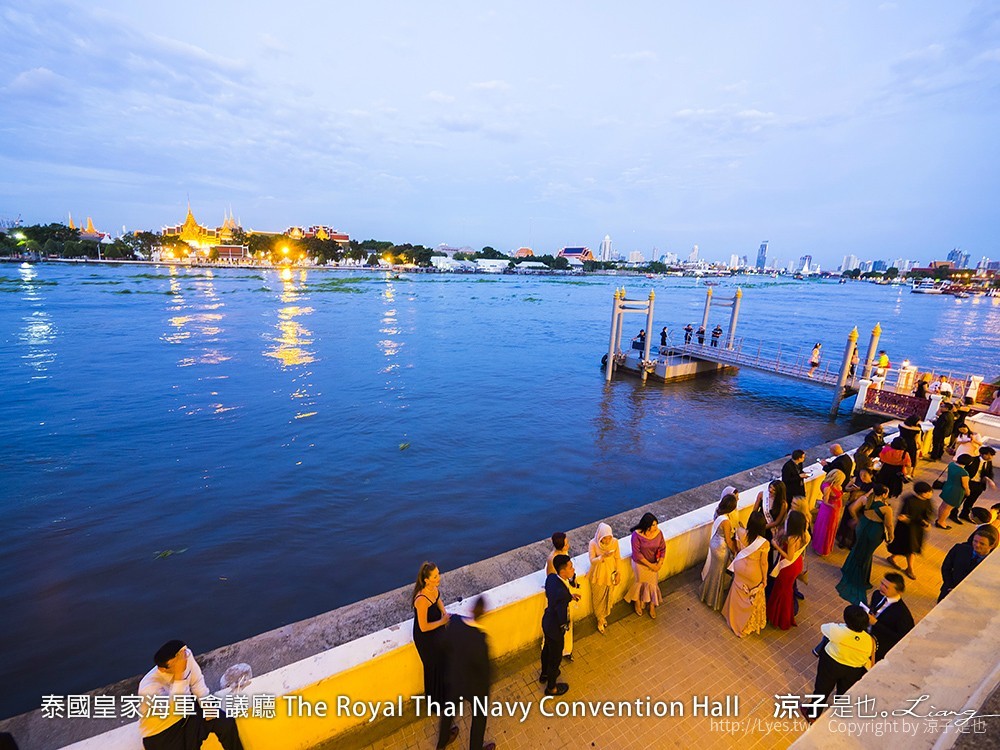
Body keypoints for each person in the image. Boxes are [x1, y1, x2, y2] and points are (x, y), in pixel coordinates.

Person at [138, 641, 244, 750]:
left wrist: (207, 706)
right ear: (163, 669)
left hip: (188, 715)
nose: (183, 663)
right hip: (162, 733)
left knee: (225, 722)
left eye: (183, 657)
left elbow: (196, 682)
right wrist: (180, 676)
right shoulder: (148, 687)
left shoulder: (185, 656)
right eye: (178, 663)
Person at [437, 597, 496, 750]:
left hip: (455, 679)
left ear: (470, 609)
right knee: (479, 719)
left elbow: (443, 645)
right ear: (483, 613)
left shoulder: (455, 623)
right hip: (474, 688)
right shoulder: (480, 640)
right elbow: (486, 671)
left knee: (448, 713)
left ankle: (442, 742)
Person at [804, 606, 875, 722]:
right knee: (843, 693)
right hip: (853, 670)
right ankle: (838, 716)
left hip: (831, 664)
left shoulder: (837, 631)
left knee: (822, 689)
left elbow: (823, 628)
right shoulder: (869, 640)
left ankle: (813, 714)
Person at [413, 561, 454, 744]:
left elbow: (438, 601)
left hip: (436, 631)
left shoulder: (434, 590)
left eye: (439, 574)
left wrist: (445, 613)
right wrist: (442, 621)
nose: (439, 578)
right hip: (426, 638)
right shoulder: (421, 600)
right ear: (426, 580)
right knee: (434, 668)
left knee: (442, 666)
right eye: (435, 576)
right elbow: (423, 627)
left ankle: (441, 699)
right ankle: (438, 701)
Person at [836, 484, 894, 605]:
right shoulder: (886, 509)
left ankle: (849, 569)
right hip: (875, 531)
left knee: (857, 548)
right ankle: (859, 578)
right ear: (884, 494)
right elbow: (889, 525)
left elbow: (852, 508)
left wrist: (857, 519)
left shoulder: (865, 499)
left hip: (862, 526)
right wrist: (891, 536)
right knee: (867, 553)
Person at [723, 512, 770, 638]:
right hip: (753, 572)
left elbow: (738, 548)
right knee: (750, 598)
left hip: (739, 567)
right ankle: (742, 625)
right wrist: (765, 579)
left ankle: (731, 617)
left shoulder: (740, 532)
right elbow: (764, 563)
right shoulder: (764, 543)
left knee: (737, 592)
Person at [540, 555, 577, 696]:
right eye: (570, 567)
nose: (573, 569)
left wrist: (570, 597)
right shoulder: (561, 593)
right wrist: (564, 626)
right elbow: (561, 612)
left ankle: (543, 674)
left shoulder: (551, 578)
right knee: (555, 658)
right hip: (555, 628)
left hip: (547, 621)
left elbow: (555, 596)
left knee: (547, 649)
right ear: (563, 572)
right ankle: (551, 688)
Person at [767, 510, 809, 630]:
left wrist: (775, 546)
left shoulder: (792, 538)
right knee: (787, 591)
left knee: (782, 592)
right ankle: (782, 617)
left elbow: (789, 556)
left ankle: (780, 618)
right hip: (797, 563)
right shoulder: (803, 534)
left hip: (788, 566)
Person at [886, 481, 935, 580]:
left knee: (908, 547)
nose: (930, 494)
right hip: (906, 529)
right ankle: (910, 569)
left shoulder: (928, 501)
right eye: (928, 492)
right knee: (910, 548)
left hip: (917, 529)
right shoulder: (909, 500)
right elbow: (903, 516)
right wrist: (914, 520)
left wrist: (926, 522)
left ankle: (893, 558)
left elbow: (929, 513)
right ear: (921, 493)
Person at [938, 525, 999, 601]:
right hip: (948, 591)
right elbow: (946, 568)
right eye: (975, 541)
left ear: (991, 546)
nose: (977, 545)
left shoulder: (994, 565)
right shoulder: (959, 549)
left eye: (982, 543)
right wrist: (950, 586)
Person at [700, 493, 739, 612]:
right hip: (721, 548)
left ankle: (705, 594)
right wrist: (735, 550)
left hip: (714, 543)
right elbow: (728, 540)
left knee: (713, 571)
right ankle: (712, 600)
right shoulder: (726, 521)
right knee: (719, 574)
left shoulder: (718, 511)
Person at [545, 532, 579, 660]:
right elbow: (551, 580)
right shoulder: (552, 559)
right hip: (558, 597)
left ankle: (566, 650)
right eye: (566, 544)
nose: (568, 546)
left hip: (565, 592)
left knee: (567, 622)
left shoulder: (563, 555)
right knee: (560, 623)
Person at [866, 573, 914, 663]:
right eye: (882, 584)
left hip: (879, 646)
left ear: (898, 591)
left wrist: (876, 624)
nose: (882, 587)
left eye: (887, 587)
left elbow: (901, 637)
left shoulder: (902, 613)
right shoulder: (877, 594)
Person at [625, 512, 665, 618]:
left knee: (653, 584)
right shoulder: (636, 535)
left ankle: (652, 606)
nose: (656, 527)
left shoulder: (658, 533)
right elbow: (637, 554)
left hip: (654, 562)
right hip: (640, 564)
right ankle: (637, 602)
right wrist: (651, 566)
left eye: (656, 524)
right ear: (647, 526)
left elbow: (663, 548)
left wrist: (659, 562)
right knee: (640, 583)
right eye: (653, 525)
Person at [588, 523, 622, 634]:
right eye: (604, 538)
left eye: (609, 538)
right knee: (598, 597)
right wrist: (602, 557)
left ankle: (604, 616)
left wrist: (618, 573)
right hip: (598, 574)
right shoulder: (593, 544)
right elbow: (592, 560)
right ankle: (600, 619)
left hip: (610, 573)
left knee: (609, 595)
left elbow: (617, 558)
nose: (607, 541)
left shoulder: (614, 542)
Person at [812, 469, 846, 556]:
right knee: (826, 528)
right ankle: (821, 548)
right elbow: (825, 501)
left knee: (830, 528)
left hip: (835, 510)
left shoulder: (836, 485)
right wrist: (833, 506)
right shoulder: (827, 487)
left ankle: (825, 546)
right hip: (829, 511)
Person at [958, 446, 996, 522]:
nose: (990, 457)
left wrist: (989, 479)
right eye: (988, 455)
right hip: (969, 482)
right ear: (982, 454)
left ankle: (964, 514)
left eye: (991, 455)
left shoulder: (988, 462)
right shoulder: (973, 460)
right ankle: (953, 514)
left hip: (979, 485)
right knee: (960, 499)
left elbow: (990, 472)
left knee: (971, 501)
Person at [936, 453, 973, 529]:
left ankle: (939, 519)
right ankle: (941, 522)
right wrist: (968, 491)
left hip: (948, 486)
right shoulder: (964, 473)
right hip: (956, 491)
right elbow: (965, 485)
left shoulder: (952, 465)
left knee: (943, 505)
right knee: (948, 508)